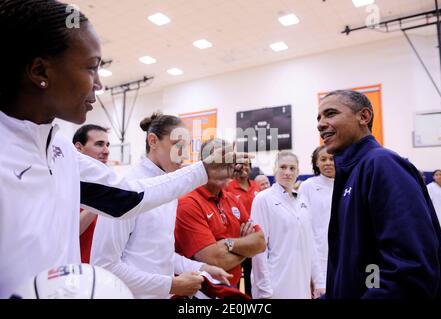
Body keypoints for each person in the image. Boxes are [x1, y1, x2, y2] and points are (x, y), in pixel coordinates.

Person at [0, 0, 248, 299]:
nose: (99, 84)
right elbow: (108, 261)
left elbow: (128, 197)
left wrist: (203, 170)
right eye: (92, 68)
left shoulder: (60, 148)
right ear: (41, 69)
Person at [317, 89, 441, 298]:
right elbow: (362, 267)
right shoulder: (352, 172)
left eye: (330, 113)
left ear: (364, 116)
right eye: (319, 117)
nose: (321, 123)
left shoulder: (382, 164)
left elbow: (409, 267)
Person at [91, 114, 232, 298]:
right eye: (178, 146)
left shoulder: (168, 187)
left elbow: (158, 254)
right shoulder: (127, 186)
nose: (184, 155)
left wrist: (202, 268)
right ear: (153, 141)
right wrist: (170, 285)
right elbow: (105, 265)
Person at [175, 139, 266, 289]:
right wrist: (246, 249)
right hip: (201, 293)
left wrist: (227, 244)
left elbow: (261, 242)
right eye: (221, 163)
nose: (228, 168)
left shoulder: (231, 199)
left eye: (230, 162)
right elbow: (214, 260)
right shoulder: (188, 202)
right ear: (205, 164)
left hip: (232, 288)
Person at [251, 151, 325, 299]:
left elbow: (310, 243)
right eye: (283, 167)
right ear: (274, 170)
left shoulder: (302, 200)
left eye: (292, 168)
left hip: (301, 283)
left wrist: (319, 281)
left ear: (298, 172)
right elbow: (259, 249)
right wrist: (264, 290)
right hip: (274, 285)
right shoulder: (263, 199)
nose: (287, 172)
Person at [72, 124, 110, 263]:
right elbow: (69, 233)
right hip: (77, 273)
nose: (106, 151)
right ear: (79, 148)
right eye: (99, 144)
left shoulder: (108, 182)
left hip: (104, 273)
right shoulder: (66, 183)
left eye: (107, 145)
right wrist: (101, 198)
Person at [299, 145, 335, 281]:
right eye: (323, 159)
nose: (328, 163)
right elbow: (302, 223)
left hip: (345, 253)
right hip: (318, 254)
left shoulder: (347, 183)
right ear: (316, 162)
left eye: (332, 159)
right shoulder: (308, 186)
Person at [225, 161, 260, 296]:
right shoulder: (228, 186)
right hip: (236, 239)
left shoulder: (256, 186)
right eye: (241, 164)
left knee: (252, 276)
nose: (244, 167)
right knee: (234, 277)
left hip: (254, 239)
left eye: (247, 164)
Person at [427, 169, 441, 242]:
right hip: (437, 217)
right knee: (439, 240)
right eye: (437, 175)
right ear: (433, 177)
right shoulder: (429, 187)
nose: (439, 176)